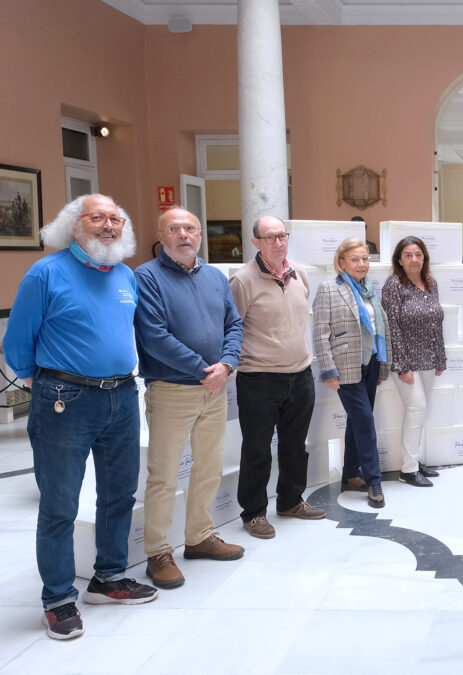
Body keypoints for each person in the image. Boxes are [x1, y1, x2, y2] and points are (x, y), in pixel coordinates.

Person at [3, 194, 158, 640]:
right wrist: (38, 381)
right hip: (63, 399)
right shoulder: (46, 273)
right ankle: (57, 598)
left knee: (119, 493)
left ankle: (108, 578)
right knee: (59, 504)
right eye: (97, 218)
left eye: (116, 218)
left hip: (122, 396)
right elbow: (17, 341)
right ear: (74, 226)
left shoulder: (125, 274)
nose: (108, 225)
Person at [134, 207, 245, 589]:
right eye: (175, 228)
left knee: (209, 467)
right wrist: (204, 369)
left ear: (200, 234)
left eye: (190, 228)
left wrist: (227, 365)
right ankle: (158, 552)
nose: (184, 234)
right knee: (164, 475)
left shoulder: (215, 276)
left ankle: (199, 537)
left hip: (215, 389)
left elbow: (234, 324)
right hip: (171, 390)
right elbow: (154, 336)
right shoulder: (146, 277)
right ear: (162, 235)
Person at [230, 216, 325, 540]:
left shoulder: (301, 274)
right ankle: (254, 513)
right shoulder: (242, 280)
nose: (278, 243)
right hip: (259, 378)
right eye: (269, 237)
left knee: (294, 446)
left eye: (282, 236)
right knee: (257, 448)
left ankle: (290, 501)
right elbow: (232, 327)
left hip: (300, 374)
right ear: (255, 242)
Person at [312, 238, 389, 508]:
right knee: (365, 421)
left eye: (365, 258)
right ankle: (374, 480)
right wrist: (328, 370)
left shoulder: (369, 290)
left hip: (370, 364)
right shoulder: (329, 288)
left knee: (357, 421)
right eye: (355, 259)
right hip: (345, 367)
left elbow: (379, 329)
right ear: (341, 262)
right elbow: (320, 334)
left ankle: (350, 473)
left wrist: (383, 364)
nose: (362, 264)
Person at [381, 236, 446, 486]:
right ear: (399, 259)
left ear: (424, 258)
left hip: (429, 359)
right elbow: (392, 326)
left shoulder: (431, 283)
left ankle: (414, 460)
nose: (414, 259)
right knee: (416, 408)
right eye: (408, 254)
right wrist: (402, 365)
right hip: (406, 362)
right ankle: (408, 470)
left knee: (420, 413)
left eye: (418, 254)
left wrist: (440, 358)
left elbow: (437, 322)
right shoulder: (394, 285)